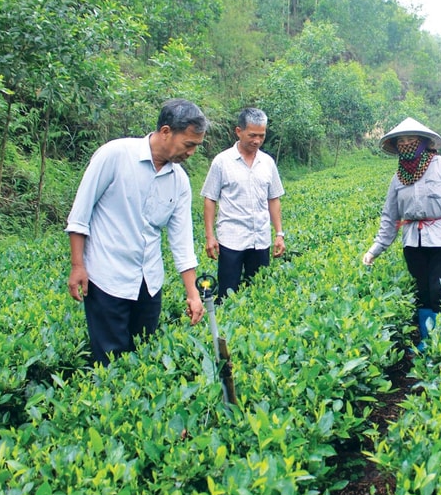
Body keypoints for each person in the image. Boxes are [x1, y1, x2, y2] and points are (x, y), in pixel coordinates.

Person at [66, 98, 208, 365]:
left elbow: (181, 241)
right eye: (188, 144)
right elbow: (80, 214)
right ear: (166, 131)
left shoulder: (180, 181)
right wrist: (77, 266)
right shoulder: (115, 155)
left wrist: (192, 293)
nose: (191, 153)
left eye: (196, 147)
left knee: (143, 357)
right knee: (110, 360)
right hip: (107, 277)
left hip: (149, 283)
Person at [362, 117, 441, 351]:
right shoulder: (399, 178)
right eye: (401, 141)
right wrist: (375, 250)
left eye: (411, 140)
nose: (406, 144)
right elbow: (389, 217)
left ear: (422, 142)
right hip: (413, 242)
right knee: (421, 291)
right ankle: (425, 340)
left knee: (439, 290)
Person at [201, 107, 285, 301]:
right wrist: (209, 236)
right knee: (227, 294)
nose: (257, 140)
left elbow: (273, 198)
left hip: (260, 239)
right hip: (232, 239)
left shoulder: (267, 163)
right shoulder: (222, 162)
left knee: (259, 292)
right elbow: (210, 199)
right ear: (238, 131)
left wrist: (279, 234)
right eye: (252, 135)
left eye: (261, 136)